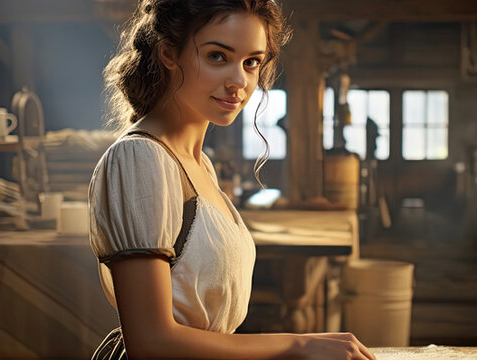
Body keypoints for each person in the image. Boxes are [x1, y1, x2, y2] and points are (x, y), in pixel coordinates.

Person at [87, 1, 377, 359]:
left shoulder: (200, 165)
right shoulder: (139, 158)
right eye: (217, 57)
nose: (239, 81)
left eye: (251, 62)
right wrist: (295, 344)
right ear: (169, 54)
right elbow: (151, 341)